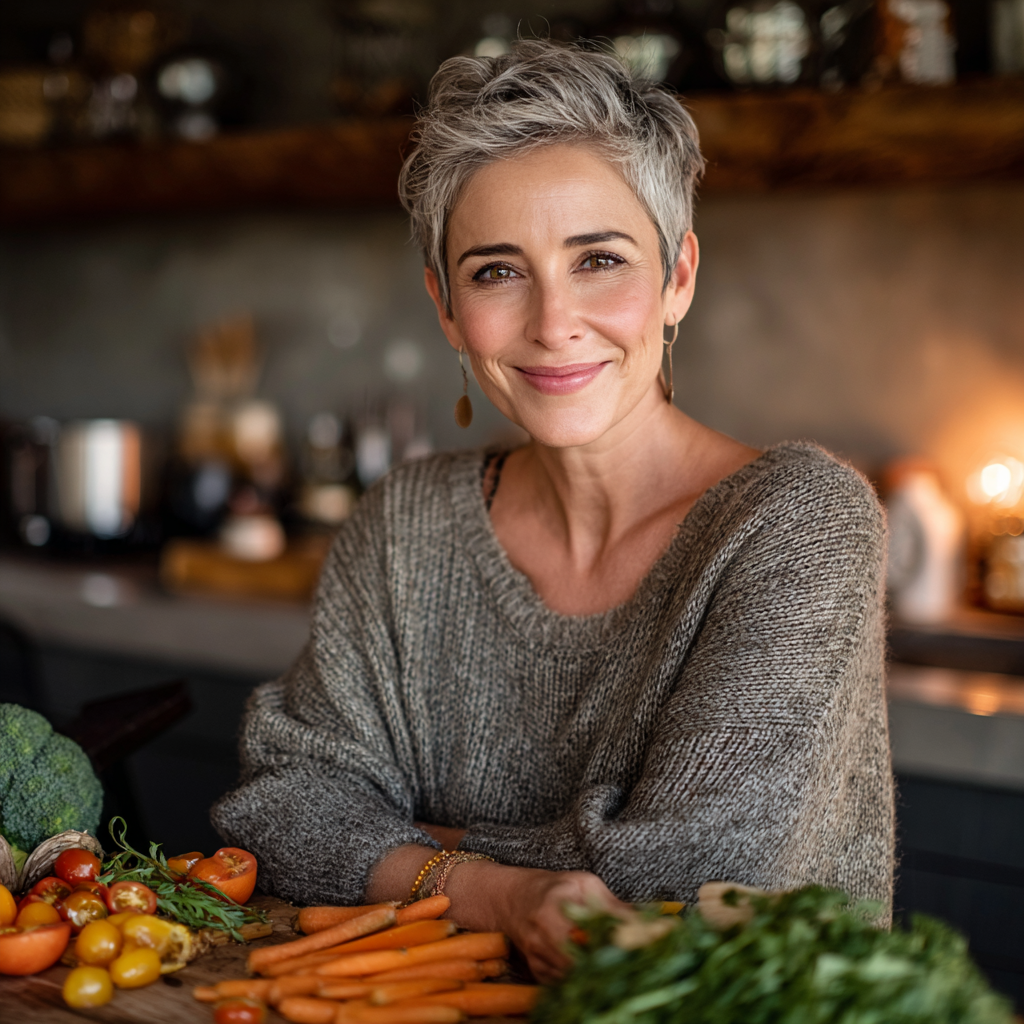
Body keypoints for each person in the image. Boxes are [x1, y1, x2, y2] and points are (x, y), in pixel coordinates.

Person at [212, 39, 894, 983]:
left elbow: (691, 889)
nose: (551, 321)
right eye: (497, 271)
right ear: (447, 309)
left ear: (679, 277)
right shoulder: (406, 523)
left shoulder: (797, 522)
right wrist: (505, 889)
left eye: (600, 259)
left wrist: (415, 848)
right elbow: (285, 812)